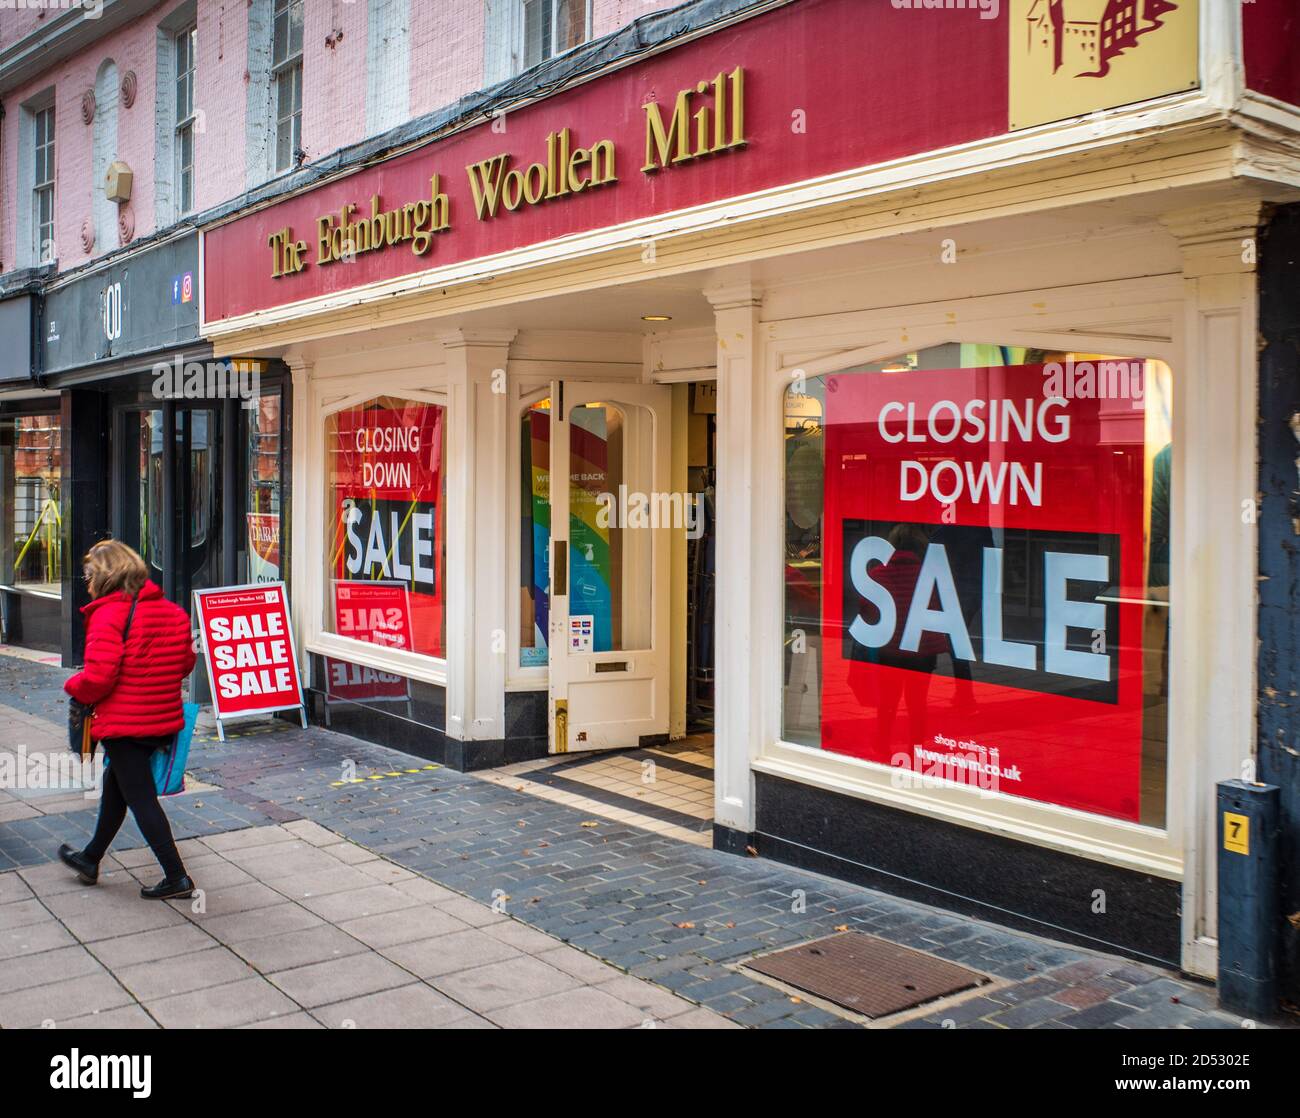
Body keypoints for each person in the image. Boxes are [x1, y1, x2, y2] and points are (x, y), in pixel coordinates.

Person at [58, 540, 197, 900]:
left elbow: (99, 677)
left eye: (90, 574)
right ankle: (90, 858)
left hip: (126, 724)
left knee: (140, 798)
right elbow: (184, 664)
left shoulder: (108, 614)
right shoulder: (172, 611)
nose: (87, 580)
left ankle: (176, 877)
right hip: (161, 720)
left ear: (105, 576)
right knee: (117, 787)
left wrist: (72, 684)